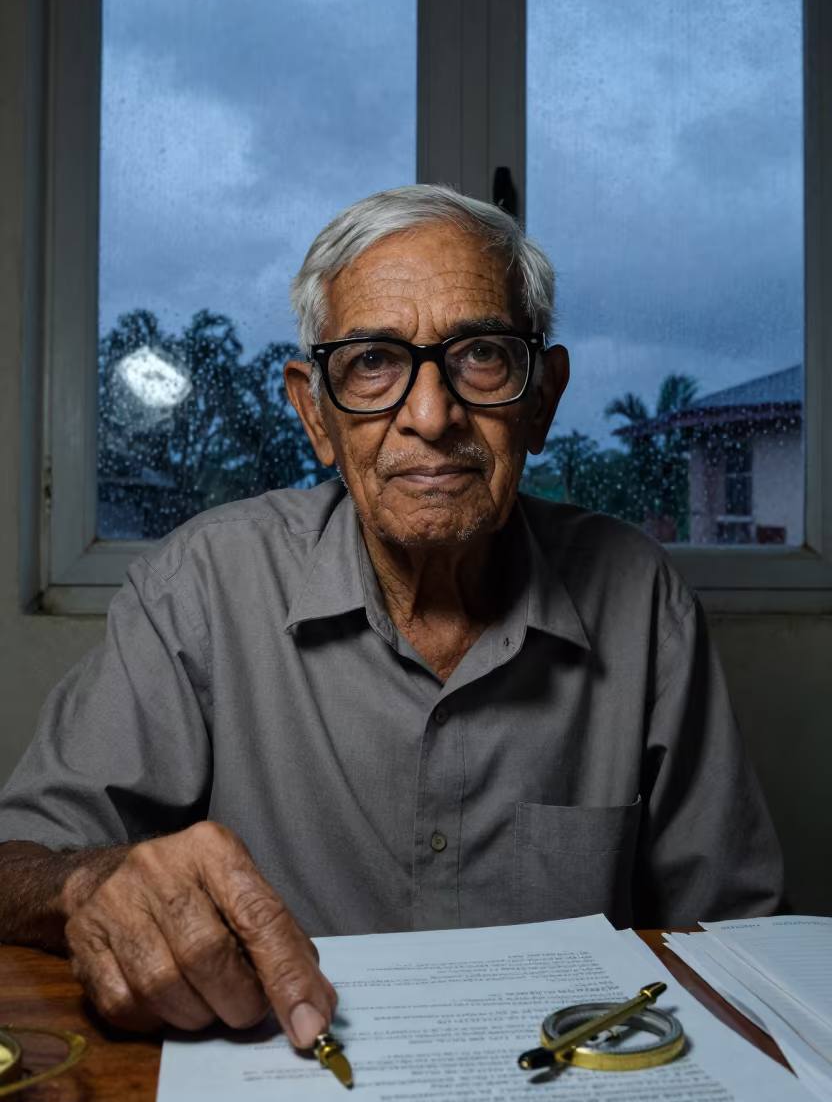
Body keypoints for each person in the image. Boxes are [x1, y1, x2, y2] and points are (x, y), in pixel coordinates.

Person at [0, 185, 782, 1051]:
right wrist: (88, 885)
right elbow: (13, 861)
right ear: (315, 413)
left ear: (543, 399)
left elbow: (738, 936)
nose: (431, 415)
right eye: (372, 361)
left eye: (481, 354)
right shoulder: (201, 587)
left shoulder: (641, 599)